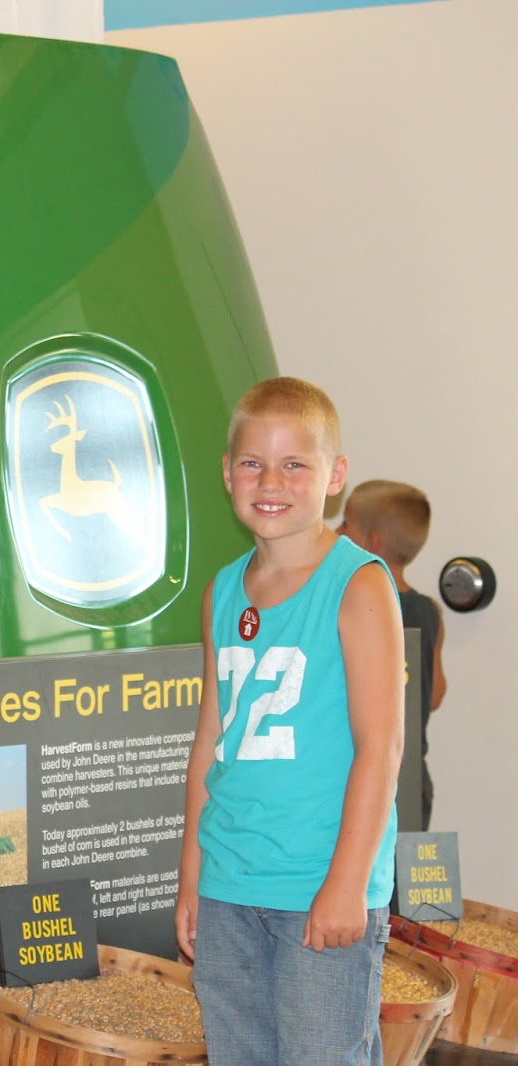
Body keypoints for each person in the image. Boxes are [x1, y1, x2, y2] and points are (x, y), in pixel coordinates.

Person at [176, 377, 404, 1066]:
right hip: (228, 887)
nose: (270, 481)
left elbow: (381, 747)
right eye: (252, 462)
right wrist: (192, 875)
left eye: (294, 464)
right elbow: (210, 743)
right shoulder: (221, 590)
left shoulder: (359, 584)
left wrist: (347, 884)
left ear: (335, 476)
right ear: (227, 473)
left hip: (318, 887)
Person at [338, 480, 447, 827]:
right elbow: (434, 695)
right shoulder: (430, 611)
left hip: (362, 777)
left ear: (371, 543)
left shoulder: (354, 606)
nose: (337, 532)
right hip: (413, 779)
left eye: (345, 524)